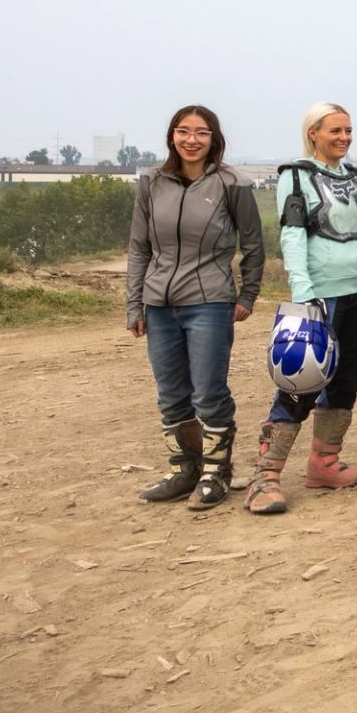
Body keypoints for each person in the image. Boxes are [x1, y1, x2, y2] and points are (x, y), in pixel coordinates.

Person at [126, 105, 264, 510]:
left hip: (210, 301)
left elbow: (253, 244)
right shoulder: (151, 182)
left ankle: (216, 472)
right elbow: (138, 247)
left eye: (201, 133)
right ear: (172, 136)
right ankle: (184, 469)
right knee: (171, 394)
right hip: (158, 304)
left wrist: (248, 295)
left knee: (208, 392)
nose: (192, 140)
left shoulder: (232, 184)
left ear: (214, 138)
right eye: (183, 131)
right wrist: (134, 303)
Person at [247, 103, 357, 516]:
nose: (344, 137)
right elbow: (292, 236)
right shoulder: (296, 176)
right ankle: (265, 475)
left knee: (348, 378)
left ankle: (324, 462)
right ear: (313, 134)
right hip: (320, 296)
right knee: (299, 379)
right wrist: (302, 291)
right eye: (335, 130)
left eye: (348, 130)